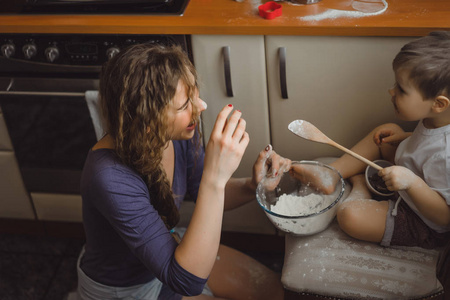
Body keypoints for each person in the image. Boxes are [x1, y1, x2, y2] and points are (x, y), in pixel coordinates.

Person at [76, 43, 290, 300]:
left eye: (195, 94)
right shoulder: (109, 177)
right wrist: (215, 175)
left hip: (171, 252)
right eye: (184, 104)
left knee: (274, 292)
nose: (201, 106)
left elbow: (204, 193)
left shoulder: (174, 135)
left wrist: (251, 185)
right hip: (129, 290)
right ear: (147, 119)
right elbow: (186, 281)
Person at [291, 31, 450, 249]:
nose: (391, 91)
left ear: (439, 104)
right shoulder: (438, 120)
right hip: (410, 176)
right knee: (388, 133)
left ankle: (361, 186)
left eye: (401, 90)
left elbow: (444, 217)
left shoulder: (446, 154)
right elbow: (430, 144)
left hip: (421, 221)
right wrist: (408, 137)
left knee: (350, 216)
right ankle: (331, 174)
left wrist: (412, 183)